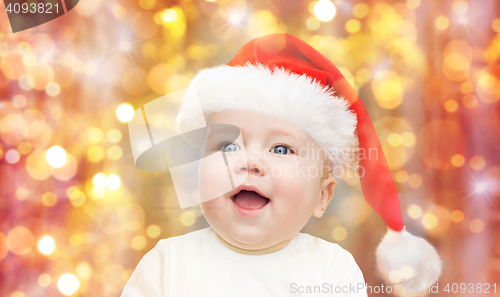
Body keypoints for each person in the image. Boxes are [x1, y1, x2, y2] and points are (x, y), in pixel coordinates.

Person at [121, 33, 442, 297]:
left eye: (281, 148)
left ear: (323, 196)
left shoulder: (332, 268)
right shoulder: (167, 263)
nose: (251, 161)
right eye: (229, 146)